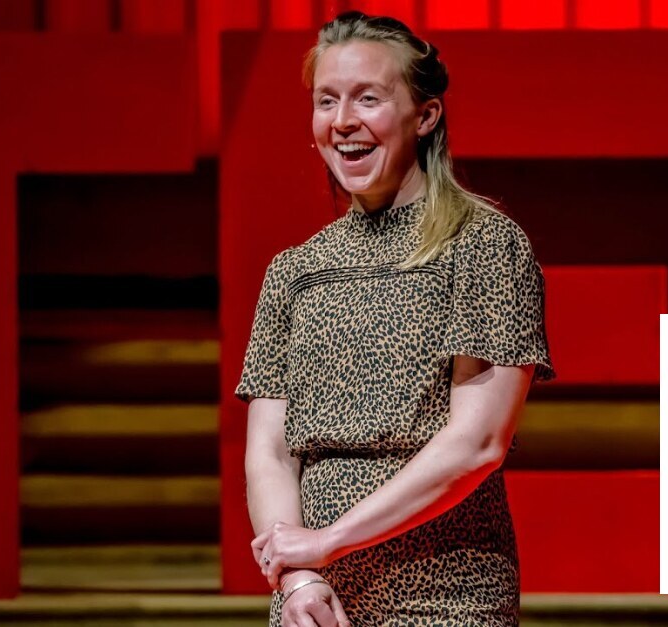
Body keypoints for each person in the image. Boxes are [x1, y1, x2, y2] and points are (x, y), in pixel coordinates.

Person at [235, 11, 555, 627]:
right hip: (313, 603)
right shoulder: (294, 270)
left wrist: (328, 541)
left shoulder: (483, 246)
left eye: (368, 98)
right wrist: (299, 578)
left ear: (425, 115)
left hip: (446, 597)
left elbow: (477, 444)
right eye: (326, 100)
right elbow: (269, 452)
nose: (342, 120)